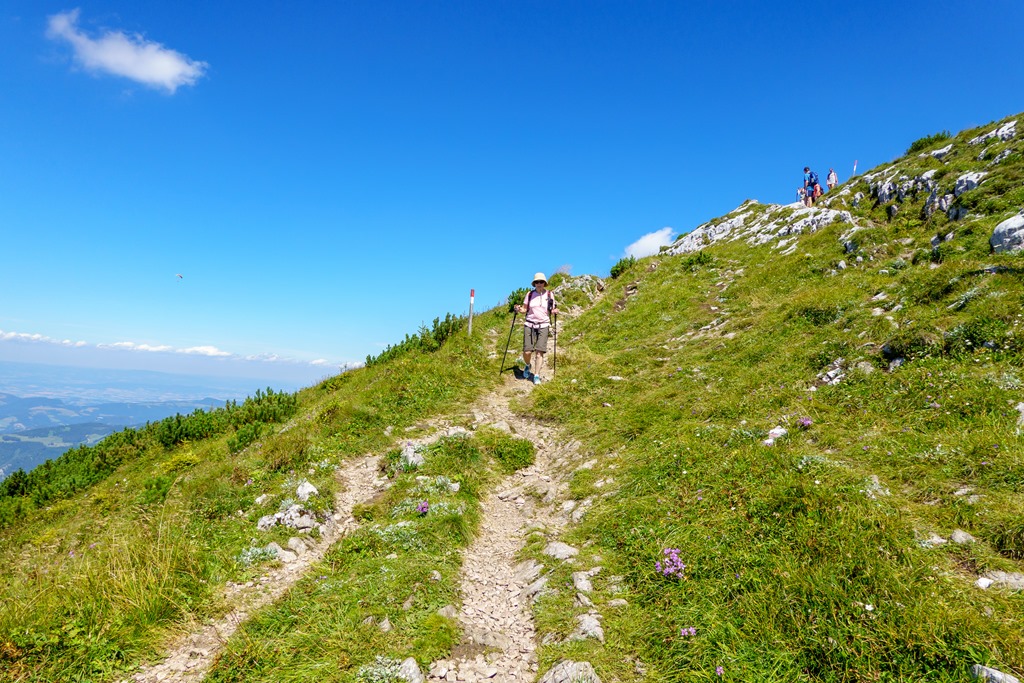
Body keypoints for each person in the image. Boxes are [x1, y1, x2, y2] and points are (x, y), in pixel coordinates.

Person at [515, 272, 559, 385]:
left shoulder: (549, 294)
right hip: (529, 324)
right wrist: (519, 309)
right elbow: (525, 309)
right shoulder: (530, 294)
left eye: (541, 282)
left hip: (543, 325)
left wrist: (554, 311)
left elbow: (551, 309)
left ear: (544, 283)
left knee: (540, 352)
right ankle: (527, 365)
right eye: (537, 282)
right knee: (527, 351)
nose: (539, 284)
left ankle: (536, 375)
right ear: (534, 283)